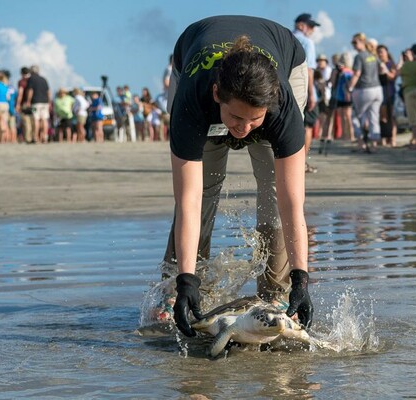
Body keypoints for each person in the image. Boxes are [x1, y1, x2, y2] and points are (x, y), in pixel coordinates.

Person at [160, 15, 314, 338]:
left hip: (286, 58)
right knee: (205, 190)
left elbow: (291, 201)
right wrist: (186, 281)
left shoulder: (281, 110)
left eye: (253, 121)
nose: (243, 130)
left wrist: (301, 278)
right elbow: (188, 199)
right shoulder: (193, 100)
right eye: (236, 118)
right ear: (217, 94)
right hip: (192, 60)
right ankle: (180, 292)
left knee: (274, 189)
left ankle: (275, 294)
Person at [293, 13, 320, 173]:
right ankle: (301, 163)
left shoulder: (286, 37)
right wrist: (311, 94)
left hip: (286, 88)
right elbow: (309, 69)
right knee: (307, 127)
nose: (313, 30)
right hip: (303, 88)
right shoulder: (307, 42)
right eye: (311, 26)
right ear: (301, 25)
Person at [348, 33, 384, 152]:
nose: (353, 45)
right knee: (374, 117)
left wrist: (350, 87)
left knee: (356, 116)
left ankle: (361, 144)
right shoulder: (373, 55)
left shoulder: (359, 56)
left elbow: (357, 73)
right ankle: (374, 145)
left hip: (363, 89)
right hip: (377, 89)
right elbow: (383, 69)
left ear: (362, 42)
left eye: (355, 42)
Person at [377, 44, 398, 147]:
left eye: (382, 51)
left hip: (390, 92)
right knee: (382, 117)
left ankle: (393, 139)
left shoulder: (391, 64)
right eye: (378, 52)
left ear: (386, 52)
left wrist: (385, 69)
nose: (380, 54)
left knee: (391, 116)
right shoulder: (377, 65)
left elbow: (393, 77)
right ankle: (383, 138)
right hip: (380, 93)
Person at [25, 65, 51, 143]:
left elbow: (30, 91)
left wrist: (28, 101)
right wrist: (49, 102)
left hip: (35, 102)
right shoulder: (44, 79)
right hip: (45, 102)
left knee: (36, 119)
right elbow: (48, 91)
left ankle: (35, 137)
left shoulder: (31, 79)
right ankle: (45, 137)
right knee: (44, 119)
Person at [15, 67, 33, 143]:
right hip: (33, 103)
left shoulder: (21, 82)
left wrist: (18, 104)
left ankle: (28, 138)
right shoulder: (32, 80)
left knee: (26, 122)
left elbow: (20, 93)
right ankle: (34, 137)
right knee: (33, 121)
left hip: (25, 104)